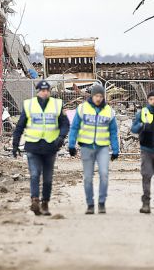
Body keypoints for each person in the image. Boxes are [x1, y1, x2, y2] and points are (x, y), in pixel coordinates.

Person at [12, 80, 69, 216]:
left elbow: (65, 124)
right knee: (35, 174)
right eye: (42, 90)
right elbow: (20, 125)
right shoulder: (29, 105)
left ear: (49, 92)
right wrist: (15, 144)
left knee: (48, 178)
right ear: (38, 91)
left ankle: (45, 203)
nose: (45, 92)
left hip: (50, 146)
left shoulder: (56, 105)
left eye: (47, 90)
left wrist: (61, 137)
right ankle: (35, 200)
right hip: (33, 146)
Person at [69, 82, 119, 214]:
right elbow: (74, 127)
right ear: (92, 96)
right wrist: (71, 144)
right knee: (88, 177)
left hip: (102, 147)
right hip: (86, 147)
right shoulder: (82, 109)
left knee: (104, 174)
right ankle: (90, 204)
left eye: (100, 96)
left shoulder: (109, 111)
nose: (98, 98)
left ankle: (101, 202)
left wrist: (115, 149)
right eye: (96, 96)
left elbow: (113, 131)